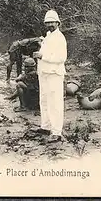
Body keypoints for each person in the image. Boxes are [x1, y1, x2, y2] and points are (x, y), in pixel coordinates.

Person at [32, 9, 68, 143]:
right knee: (44, 100)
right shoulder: (48, 36)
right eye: (47, 23)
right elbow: (47, 50)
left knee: (55, 102)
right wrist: (42, 46)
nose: (50, 25)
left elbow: (61, 57)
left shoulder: (60, 37)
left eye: (52, 22)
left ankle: (56, 131)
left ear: (58, 23)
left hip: (54, 73)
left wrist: (43, 56)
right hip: (44, 73)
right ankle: (46, 126)